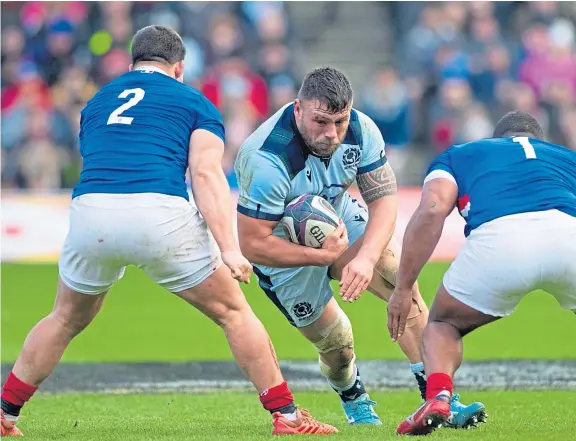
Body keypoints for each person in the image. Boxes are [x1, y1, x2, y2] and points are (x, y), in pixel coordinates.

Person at [0, 25, 338, 437]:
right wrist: (230, 249)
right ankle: (286, 417)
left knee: (64, 317)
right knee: (233, 313)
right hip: (157, 211)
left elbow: (98, 155)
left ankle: (5, 412)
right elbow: (206, 174)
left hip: (90, 212)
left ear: (132, 62)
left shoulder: (98, 100)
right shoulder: (195, 102)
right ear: (180, 67)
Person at [234, 66, 484, 427]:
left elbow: (383, 200)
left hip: (337, 216)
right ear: (298, 109)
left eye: (339, 121)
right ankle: (354, 398)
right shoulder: (266, 158)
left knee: (402, 282)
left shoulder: (361, 129)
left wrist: (365, 258)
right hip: (281, 253)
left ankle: (440, 399)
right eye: (321, 122)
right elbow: (253, 245)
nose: (331, 134)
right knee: (337, 343)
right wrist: (324, 256)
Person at [390, 110, 576, 435]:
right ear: (541, 141)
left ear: (495, 139)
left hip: (501, 240)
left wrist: (403, 289)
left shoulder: (462, 153)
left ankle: (439, 396)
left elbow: (432, 210)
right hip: (569, 231)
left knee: (443, 323)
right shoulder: (565, 157)